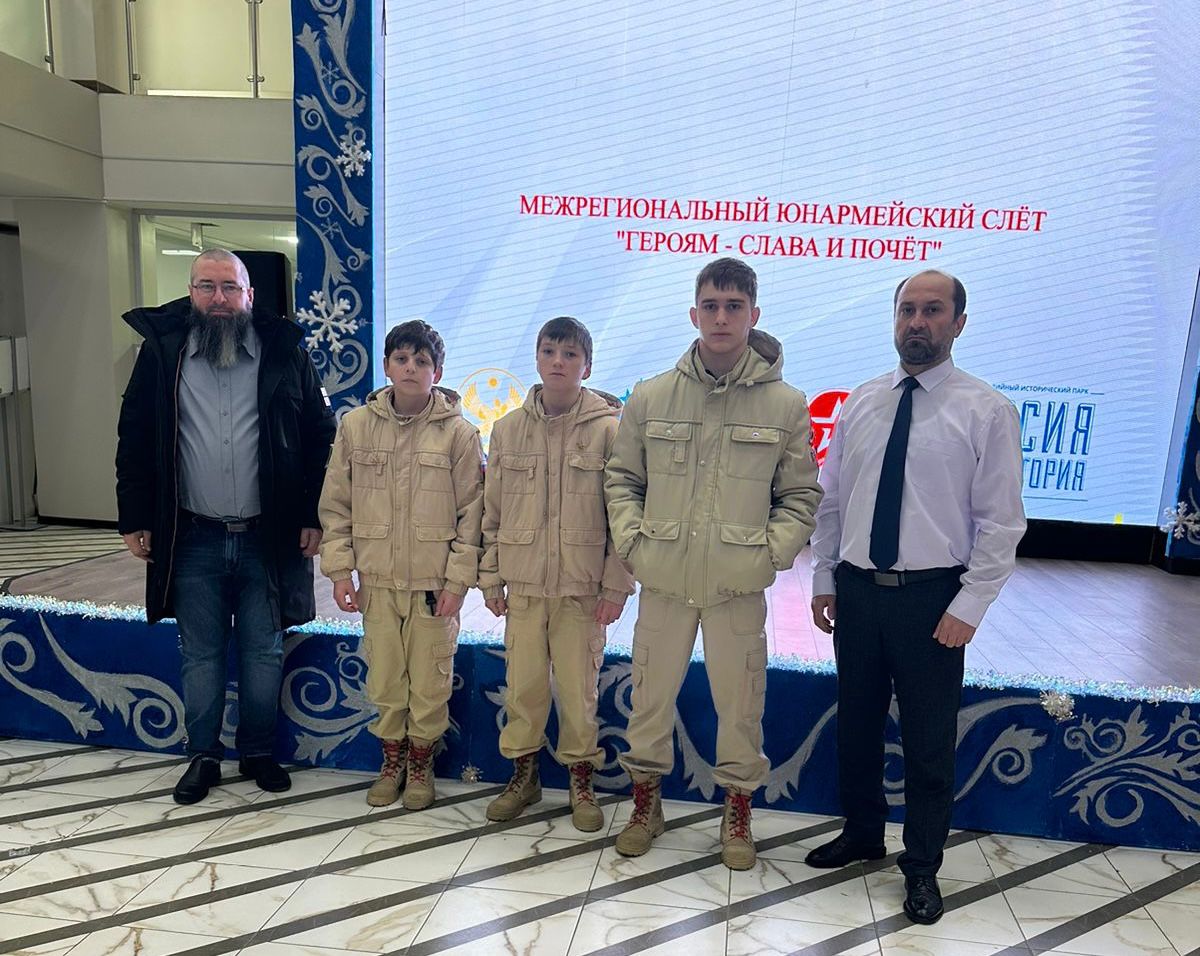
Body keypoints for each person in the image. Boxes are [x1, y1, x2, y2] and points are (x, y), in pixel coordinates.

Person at [806, 270, 1026, 924]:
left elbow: (1001, 522)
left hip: (932, 600)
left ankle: (923, 866)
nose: (917, 322)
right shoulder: (862, 401)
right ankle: (862, 833)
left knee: (929, 742)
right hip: (858, 592)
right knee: (857, 725)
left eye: (933, 310)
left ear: (959, 323)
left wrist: (970, 605)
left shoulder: (986, 410)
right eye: (907, 309)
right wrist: (824, 578)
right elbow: (832, 499)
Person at [604, 257, 823, 870]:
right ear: (693, 314)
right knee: (648, 698)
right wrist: (635, 544)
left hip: (736, 585)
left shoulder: (785, 404)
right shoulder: (651, 396)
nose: (721, 318)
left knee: (741, 703)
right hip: (664, 580)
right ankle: (646, 804)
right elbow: (621, 480)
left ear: (754, 314)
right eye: (710, 306)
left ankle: (737, 813)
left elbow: (800, 495)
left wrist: (770, 554)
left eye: (734, 307)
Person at [116, 248, 336, 805]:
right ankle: (203, 755)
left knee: (264, 650)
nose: (218, 298)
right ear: (191, 292)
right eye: (207, 286)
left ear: (249, 296)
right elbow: (135, 436)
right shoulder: (162, 353)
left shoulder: (286, 351)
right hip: (192, 535)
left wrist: (312, 515)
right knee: (201, 654)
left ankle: (257, 751)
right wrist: (135, 516)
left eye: (229, 288)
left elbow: (320, 437)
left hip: (268, 535)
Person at [319, 320, 483, 810]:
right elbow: (337, 503)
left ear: (438, 372)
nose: (411, 368)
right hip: (377, 582)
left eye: (422, 361)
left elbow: (472, 514)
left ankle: (421, 765)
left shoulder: (460, 434)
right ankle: (392, 761)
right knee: (386, 678)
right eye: (401, 359)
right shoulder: (355, 427)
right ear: (387, 366)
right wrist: (340, 571)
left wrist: (458, 581)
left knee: (430, 681)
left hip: (434, 585)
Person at [479, 316, 635, 831]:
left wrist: (616, 584)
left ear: (587, 365)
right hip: (525, 587)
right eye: (549, 351)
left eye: (570, 354)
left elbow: (624, 518)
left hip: (581, 590)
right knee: (523, 688)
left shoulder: (610, 431)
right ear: (537, 359)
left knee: (578, 691)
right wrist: (490, 577)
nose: (558, 362)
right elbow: (492, 513)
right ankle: (523, 777)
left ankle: (580, 780)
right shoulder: (508, 429)